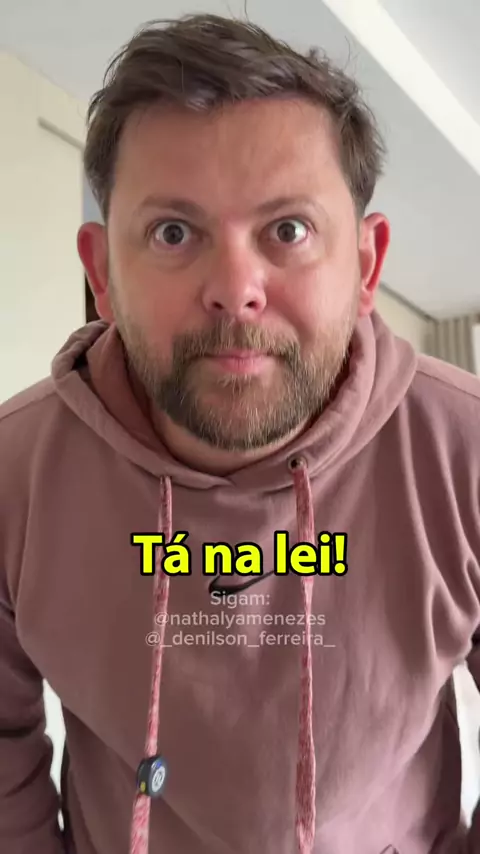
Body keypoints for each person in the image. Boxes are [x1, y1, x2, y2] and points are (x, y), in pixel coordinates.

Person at [0, 12, 479, 854]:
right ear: (102, 273)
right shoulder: (16, 476)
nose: (234, 287)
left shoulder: (463, 452)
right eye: (173, 232)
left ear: (366, 264)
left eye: (287, 230)